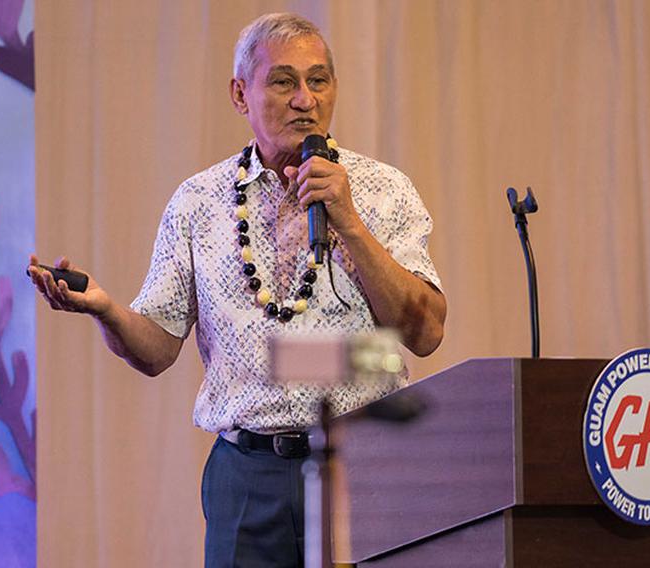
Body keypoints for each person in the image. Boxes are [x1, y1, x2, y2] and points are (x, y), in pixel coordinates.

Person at [28, 12, 446, 568]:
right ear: (239, 93)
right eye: (284, 81)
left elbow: (425, 332)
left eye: (318, 81)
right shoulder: (198, 202)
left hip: (366, 466)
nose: (305, 99)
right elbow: (156, 349)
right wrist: (105, 309)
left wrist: (348, 220)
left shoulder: (383, 191)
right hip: (248, 479)